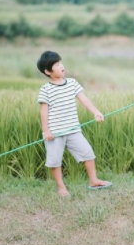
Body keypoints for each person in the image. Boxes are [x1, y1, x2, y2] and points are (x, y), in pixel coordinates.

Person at [37, 51, 112, 197]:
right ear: (48, 71)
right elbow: (44, 111)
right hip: (55, 133)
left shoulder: (72, 83)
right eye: (56, 65)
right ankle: (61, 187)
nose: (61, 66)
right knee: (54, 161)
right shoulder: (46, 89)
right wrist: (46, 130)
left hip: (73, 130)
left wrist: (96, 112)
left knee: (88, 153)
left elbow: (84, 99)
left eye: (61, 63)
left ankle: (93, 180)